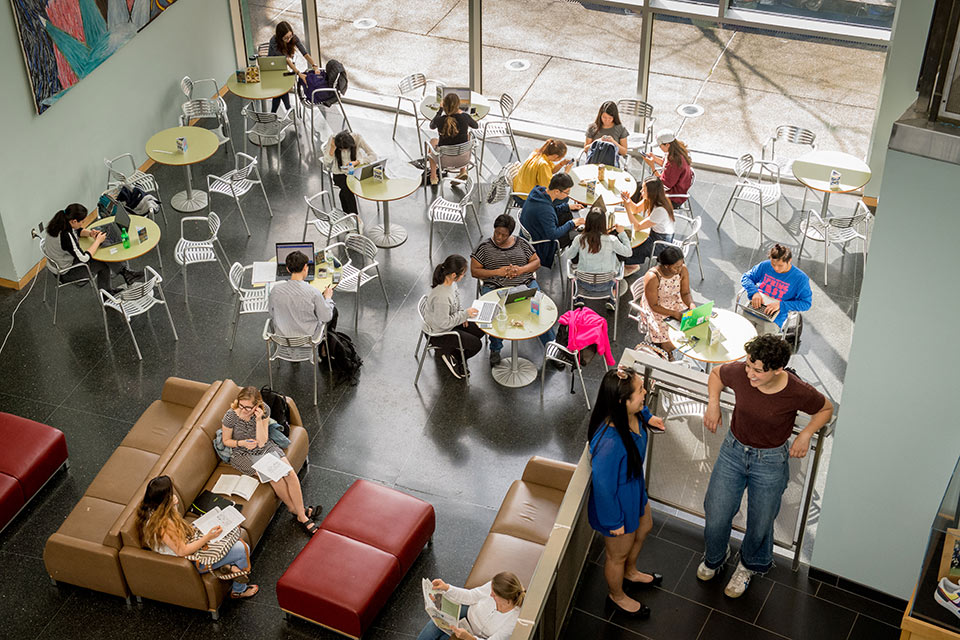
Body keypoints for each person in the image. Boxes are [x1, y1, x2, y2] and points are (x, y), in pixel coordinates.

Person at [699, 335, 833, 598]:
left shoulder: (797, 390)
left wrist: (805, 434)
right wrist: (713, 403)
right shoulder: (742, 371)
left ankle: (749, 565)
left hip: (770, 461)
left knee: (760, 523)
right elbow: (716, 374)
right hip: (733, 451)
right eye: (748, 365)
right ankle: (715, 557)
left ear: (777, 370)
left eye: (757, 370)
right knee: (716, 512)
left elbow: (826, 409)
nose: (749, 373)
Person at [588, 366, 666, 618]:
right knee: (616, 555)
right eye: (641, 391)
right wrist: (614, 522)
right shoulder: (610, 443)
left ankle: (630, 573)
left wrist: (647, 416)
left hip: (634, 488)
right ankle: (617, 595)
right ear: (623, 401)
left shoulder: (630, 414)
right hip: (617, 504)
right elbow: (602, 486)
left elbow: (639, 409)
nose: (645, 393)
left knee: (644, 528)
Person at [135, 475, 259, 599]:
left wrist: (173, 505)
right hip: (189, 561)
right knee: (242, 549)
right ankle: (238, 591)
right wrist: (208, 537)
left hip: (188, 539)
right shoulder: (163, 525)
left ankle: (229, 567)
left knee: (229, 534)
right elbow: (182, 551)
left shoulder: (152, 509)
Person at [221, 387, 321, 536]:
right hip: (242, 453)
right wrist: (242, 443)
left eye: (248, 407)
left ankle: (298, 512)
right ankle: (301, 515)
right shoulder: (231, 416)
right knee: (275, 478)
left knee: (290, 474)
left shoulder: (264, 410)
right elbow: (226, 441)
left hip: (264, 447)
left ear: (257, 405)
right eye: (241, 405)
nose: (244, 410)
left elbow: (262, 442)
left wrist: (260, 420)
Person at [470, 214, 556, 366]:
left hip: (525, 284)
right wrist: (497, 272)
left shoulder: (521, 243)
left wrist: (521, 270)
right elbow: (474, 271)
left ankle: (552, 350)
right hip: (495, 288)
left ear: (510, 234)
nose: (499, 237)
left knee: (540, 311)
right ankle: (495, 349)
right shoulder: (484, 248)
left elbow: (536, 262)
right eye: (497, 233)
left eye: (504, 235)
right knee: (493, 314)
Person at [44, 204, 143, 294]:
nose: (82, 224)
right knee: (103, 261)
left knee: (98, 251)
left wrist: (90, 233)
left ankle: (126, 273)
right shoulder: (66, 236)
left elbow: (77, 231)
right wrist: (97, 241)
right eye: (82, 222)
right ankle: (109, 291)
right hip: (66, 273)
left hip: (58, 263)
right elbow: (84, 258)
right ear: (74, 221)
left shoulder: (59, 223)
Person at [415, 572, 525, 640]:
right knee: (435, 623)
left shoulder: (513, 621)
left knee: (443, 637)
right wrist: (447, 587)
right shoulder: (494, 585)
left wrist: (470, 638)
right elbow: (471, 595)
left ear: (506, 599)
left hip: (477, 637)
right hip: (467, 615)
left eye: (494, 595)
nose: (490, 595)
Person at [422, 255, 482, 379]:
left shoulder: (451, 284)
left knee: (480, 329)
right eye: (463, 274)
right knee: (476, 345)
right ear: (454, 274)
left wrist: (463, 315)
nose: (464, 277)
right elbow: (443, 324)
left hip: (448, 322)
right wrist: (465, 314)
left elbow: (456, 303)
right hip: (439, 333)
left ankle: (453, 352)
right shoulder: (442, 297)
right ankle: (453, 356)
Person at [561, 206, 632, 311]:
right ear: (604, 223)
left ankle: (579, 296)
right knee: (619, 270)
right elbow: (628, 252)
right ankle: (612, 299)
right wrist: (621, 233)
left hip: (583, 283)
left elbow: (569, 256)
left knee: (575, 269)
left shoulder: (579, 239)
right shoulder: (612, 240)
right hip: (607, 284)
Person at [637, 246, 696, 357]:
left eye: (681, 265)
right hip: (657, 307)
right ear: (666, 266)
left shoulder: (683, 269)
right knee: (668, 339)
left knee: (691, 328)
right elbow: (653, 305)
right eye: (676, 267)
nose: (680, 269)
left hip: (674, 300)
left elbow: (685, 293)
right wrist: (675, 314)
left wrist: (691, 305)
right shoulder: (652, 277)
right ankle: (667, 353)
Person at [518, 173, 585, 269]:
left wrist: (567, 206)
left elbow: (550, 209)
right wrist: (572, 223)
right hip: (542, 243)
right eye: (567, 193)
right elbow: (552, 235)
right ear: (557, 191)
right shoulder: (545, 210)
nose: (567, 196)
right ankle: (576, 264)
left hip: (533, 230)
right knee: (577, 235)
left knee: (567, 214)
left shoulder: (538, 191)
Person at [268, 250, 338, 340]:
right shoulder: (314, 293)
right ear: (305, 267)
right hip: (308, 340)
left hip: (283, 338)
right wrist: (328, 298)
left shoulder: (275, 290)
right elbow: (326, 317)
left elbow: (271, 312)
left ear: (288, 269)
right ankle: (325, 347)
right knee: (333, 311)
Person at [740, 244, 812, 331]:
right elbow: (746, 277)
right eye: (773, 264)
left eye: (780, 265)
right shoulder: (765, 265)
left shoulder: (801, 278)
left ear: (789, 260)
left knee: (762, 343)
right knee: (739, 333)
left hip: (774, 318)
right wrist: (754, 292)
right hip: (753, 307)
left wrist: (781, 305)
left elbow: (806, 304)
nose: (776, 269)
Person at [620, 176, 675, 276]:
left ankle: (632, 265)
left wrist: (627, 207)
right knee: (631, 243)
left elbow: (637, 227)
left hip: (660, 242)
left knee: (627, 249)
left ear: (651, 192)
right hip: (654, 232)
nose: (641, 191)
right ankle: (633, 262)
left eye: (643, 189)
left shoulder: (660, 210)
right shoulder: (652, 198)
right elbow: (636, 209)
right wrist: (628, 201)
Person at [268, 21, 321, 113]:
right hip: (273, 68)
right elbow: (286, 60)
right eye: (286, 38)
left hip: (283, 68)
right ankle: (288, 109)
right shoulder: (274, 41)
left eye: (290, 36)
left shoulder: (293, 38)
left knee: (281, 90)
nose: (289, 39)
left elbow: (305, 53)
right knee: (281, 88)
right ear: (280, 37)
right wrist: (298, 73)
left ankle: (277, 112)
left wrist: (314, 65)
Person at [427, 93, 479, 185]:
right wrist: (462, 113)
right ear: (458, 105)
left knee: (432, 142)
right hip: (464, 159)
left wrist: (440, 110)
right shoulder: (464, 117)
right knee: (465, 136)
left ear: (444, 106)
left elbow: (431, 126)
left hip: (444, 160)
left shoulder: (440, 120)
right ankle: (463, 171)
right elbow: (475, 125)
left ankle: (434, 177)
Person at [322, 130, 377, 215]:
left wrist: (358, 162)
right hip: (339, 173)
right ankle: (355, 216)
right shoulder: (333, 139)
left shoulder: (357, 138)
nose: (343, 151)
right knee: (348, 189)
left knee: (345, 191)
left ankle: (348, 216)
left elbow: (373, 155)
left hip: (355, 170)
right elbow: (326, 162)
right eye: (341, 149)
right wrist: (332, 149)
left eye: (346, 149)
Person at [638, 130, 693, 209]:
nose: (660, 148)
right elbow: (665, 163)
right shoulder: (677, 152)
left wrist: (652, 167)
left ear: (667, 145)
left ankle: (633, 213)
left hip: (672, 198)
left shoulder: (675, 162)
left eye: (660, 146)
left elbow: (663, 186)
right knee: (640, 187)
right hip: (676, 189)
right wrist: (654, 158)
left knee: (639, 191)